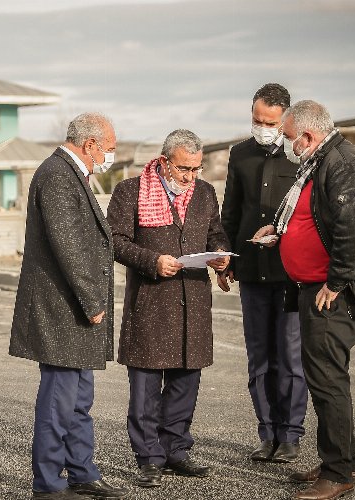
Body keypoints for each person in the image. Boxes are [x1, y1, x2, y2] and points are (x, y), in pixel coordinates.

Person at [253, 100, 355, 500]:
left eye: (288, 137)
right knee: (325, 377)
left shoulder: (343, 164)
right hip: (313, 288)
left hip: (332, 294)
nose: (285, 144)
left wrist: (335, 283)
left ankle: (337, 474)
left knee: (328, 380)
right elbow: (316, 219)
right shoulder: (321, 160)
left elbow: (354, 232)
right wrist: (282, 233)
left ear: (309, 136)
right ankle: (342, 458)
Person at [9, 112, 130, 500]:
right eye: (108, 149)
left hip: (72, 309)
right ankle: (48, 483)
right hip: (63, 308)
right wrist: (92, 299)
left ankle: (82, 471)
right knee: (59, 400)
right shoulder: (59, 175)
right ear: (90, 144)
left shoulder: (69, 172)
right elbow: (69, 247)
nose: (110, 156)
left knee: (80, 399)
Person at [107, 129, 230, 489]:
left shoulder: (205, 193)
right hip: (150, 303)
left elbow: (215, 234)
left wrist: (221, 255)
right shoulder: (130, 192)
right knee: (145, 390)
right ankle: (149, 458)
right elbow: (115, 241)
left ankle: (176, 450)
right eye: (184, 169)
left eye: (197, 168)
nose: (191, 177)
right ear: (163, 163)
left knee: (184, 383)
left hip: (193, 303)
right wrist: (152, 261)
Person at [219, 83, 308, 463]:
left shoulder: (301, 156)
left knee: (290, 356)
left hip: (290, 274)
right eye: (256, 120)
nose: (262, 127)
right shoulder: (239, 154)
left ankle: (290, 435)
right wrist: (225, 259)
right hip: (251, 271)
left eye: (269, 122)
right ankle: (267, 433)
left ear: (285, 119)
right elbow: (231, 211)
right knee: (259, 357)